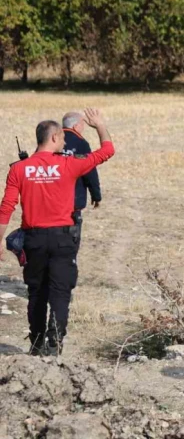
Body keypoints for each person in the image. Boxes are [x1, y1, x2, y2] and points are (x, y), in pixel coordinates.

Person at [0, 109, 115, 355]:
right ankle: (55, 339)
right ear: (53, 138)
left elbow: (6, 206)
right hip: (63, 238)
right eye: (62, 139)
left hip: (34, 239)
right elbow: (107, 152)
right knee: (61, 290)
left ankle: (37, 341)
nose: (65, 144)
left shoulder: (19, 169)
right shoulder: (68, 165)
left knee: (36, 292)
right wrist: (101, 126)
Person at [61, 112, 103, 242]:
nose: (83, 127)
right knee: (71, 241)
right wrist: (96, 195)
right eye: (82, 124)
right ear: (75, 126)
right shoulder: (81, 143)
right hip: (73, 202)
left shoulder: (51, 139)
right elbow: (89, 171)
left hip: (49, 202)